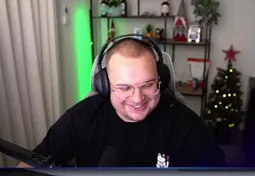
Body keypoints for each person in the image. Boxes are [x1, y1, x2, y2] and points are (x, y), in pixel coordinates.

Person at [21, 35, 226, 168]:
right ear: (104, 84)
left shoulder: (185, 125)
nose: (137, 98)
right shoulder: (80, 118)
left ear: (160, 80)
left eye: (147, 84)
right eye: (124, 87)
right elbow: (31, 165)